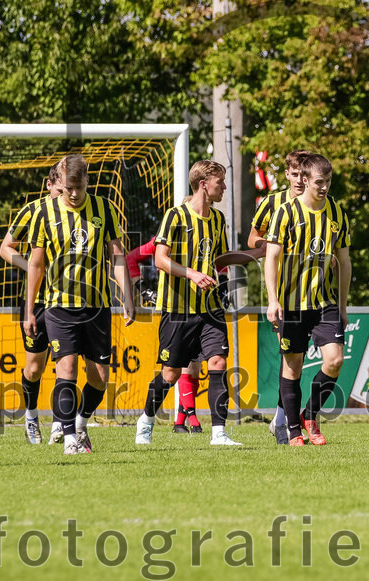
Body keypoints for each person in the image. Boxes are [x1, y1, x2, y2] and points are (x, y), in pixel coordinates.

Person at [24, 154, 135, 455]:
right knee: (67, 368)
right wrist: (28, 310)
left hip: (97, 306)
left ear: (88, 180)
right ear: (60, 183)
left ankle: (80, 423)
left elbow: (117, 256)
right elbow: (36, 264)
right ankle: (69, 436)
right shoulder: (44, 212)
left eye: (79, 187)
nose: (74, 194)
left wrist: (128, 297)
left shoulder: (103, 208)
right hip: (59, 305)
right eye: (69, 188)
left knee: (99, 377)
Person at [135, 160, 245, 446]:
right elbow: (159, 259)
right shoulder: (175, 216)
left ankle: (219, 434)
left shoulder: (218, 219)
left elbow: (221, 260)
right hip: (178, 309)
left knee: (218, 362)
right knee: (170, 374)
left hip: (210, 309)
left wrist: (254, 254)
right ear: (203, 183)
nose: (223, 186)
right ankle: (146, 420)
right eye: (220, 181)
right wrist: (192, 274)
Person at [264, 153, 351, 446]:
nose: (324, 187)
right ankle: (292, 430)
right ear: (304, 179)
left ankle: (310, 414)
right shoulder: (286, 213)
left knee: (335, 360)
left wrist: (342, 306)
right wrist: (272, 300)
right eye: (318, 181)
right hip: (291, 304)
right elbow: (271, 258)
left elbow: (345, 260)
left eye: (328, 181)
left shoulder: (337, 213)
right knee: (293, 367)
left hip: (325, 303)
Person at [248, 150, 311, 444]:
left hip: (313, 292)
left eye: (304, 174)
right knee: (290, 358)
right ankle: (284, 423)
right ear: (286, 174)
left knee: (295, 361)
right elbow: (252, 240)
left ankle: (280, 419)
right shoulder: (273, 203)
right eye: (295, 174)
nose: (300, 179)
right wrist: (272, 244)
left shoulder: (317, 203)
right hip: (283, 294)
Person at [0, 164, 62, 445]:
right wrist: (32, 268)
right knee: (34, 368)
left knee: (65, 364)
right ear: (48, 185)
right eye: (60, 190)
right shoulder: (33, 211)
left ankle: (62, 423)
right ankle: (31, 417)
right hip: (38, 300)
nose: (66, 196)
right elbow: (5, 247)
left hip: (69, 300)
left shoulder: (81, 210)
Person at [126, 234, 204, 434]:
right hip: (175, 310)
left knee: (194, 369)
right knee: (175, 370)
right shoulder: (161, 239)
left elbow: (220, 264)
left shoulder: (208, 233)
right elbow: (130, 258)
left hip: (202, 308)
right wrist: (143, 290)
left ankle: (180, 422)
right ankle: (191, 419)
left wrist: (223, 284)